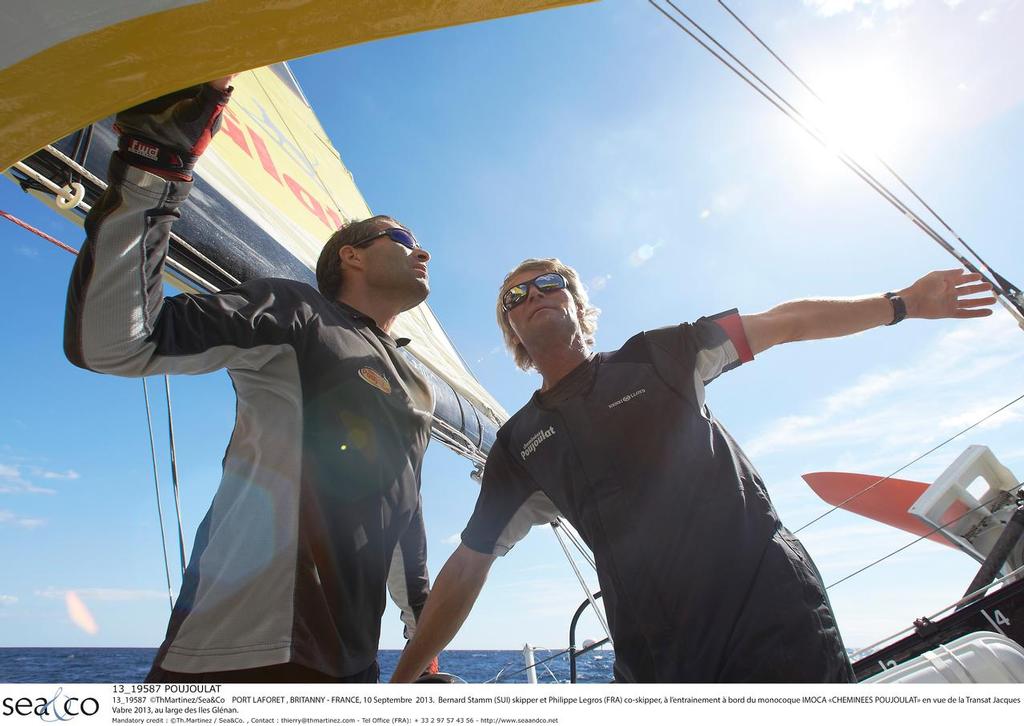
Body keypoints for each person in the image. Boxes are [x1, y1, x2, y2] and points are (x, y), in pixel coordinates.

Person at [390, 258, 997, 683]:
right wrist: (399, 687)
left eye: (546, 283)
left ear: (576, 303)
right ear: (513, 332)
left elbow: (785, 322)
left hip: (768, 610)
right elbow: (470, 560)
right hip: (655, 655)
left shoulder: (662, 355)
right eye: (515, 298)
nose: (533, 296)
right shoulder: (519, 445)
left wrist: (905, 304)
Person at [64, 78, 437, 682]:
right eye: (404, 238)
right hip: (242, 651)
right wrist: (155, 166)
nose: (423, 253)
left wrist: (423, 635)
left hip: (351, 667)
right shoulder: (295, 311)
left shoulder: (418, 385)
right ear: (353, 255)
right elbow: (118, 342)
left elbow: (403, 510)